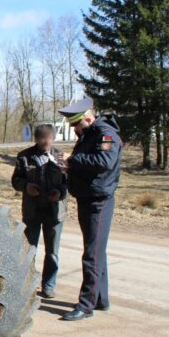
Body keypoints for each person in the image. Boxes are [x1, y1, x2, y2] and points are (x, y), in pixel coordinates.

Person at [58, 97, 122, 321]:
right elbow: (88, 164)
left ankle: (86, 305)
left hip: (99, 201)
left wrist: (73, 159)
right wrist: (69, 166)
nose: (74, 129)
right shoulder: (88, 134)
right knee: (96, 251)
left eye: (76, 124)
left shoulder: (106, 133)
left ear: (87, 118)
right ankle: (100, 299)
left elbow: (104, 162)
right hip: (87, 197)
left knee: (91, 253)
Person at [11, 123, 67, 299]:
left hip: (55, 211)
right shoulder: (24, 157)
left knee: (52, 252)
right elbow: (15, 181)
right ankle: (28, 285)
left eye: (48, 138)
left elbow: (68, 182)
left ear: (53, 138)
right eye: (41, 138)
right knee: (29, 250)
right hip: (32, 211)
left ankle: (48, 286)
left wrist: (60, 192)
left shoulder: (60, 157)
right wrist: (26, 186)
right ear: (35, 139)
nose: (45, 141)